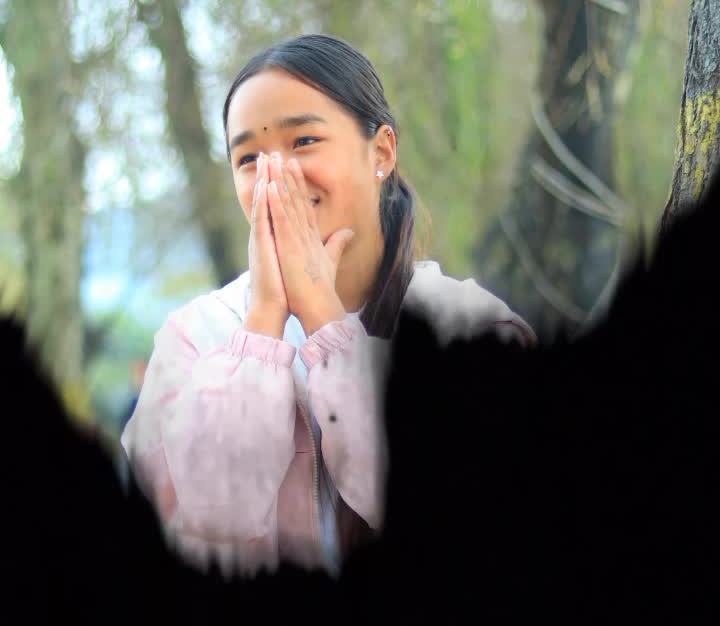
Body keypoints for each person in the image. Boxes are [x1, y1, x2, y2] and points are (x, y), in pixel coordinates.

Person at [121, 34, 536, 580]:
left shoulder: (469, 323)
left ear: (381, 152)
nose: (276, 175)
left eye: (304, 141)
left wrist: (324, 317)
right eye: (249, 158)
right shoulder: (194, 338)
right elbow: (210, 514)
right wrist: (263, 324)